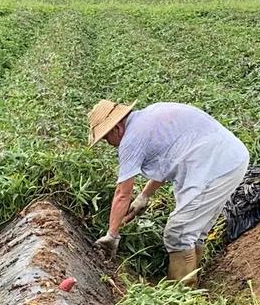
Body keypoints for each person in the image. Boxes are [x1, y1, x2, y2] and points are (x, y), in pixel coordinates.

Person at [89, 99, 250, 281]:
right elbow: (166, 161)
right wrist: (144, 196)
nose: (108, 143)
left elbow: (122, 194)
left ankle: (182, 295)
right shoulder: (152, 113)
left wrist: (112, 235)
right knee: (194, 232)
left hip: (214, 168)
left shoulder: (131, 140)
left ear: (116, 128)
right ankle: (193, 283)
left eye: (105, 138)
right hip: (233, 159)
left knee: (178, 233)